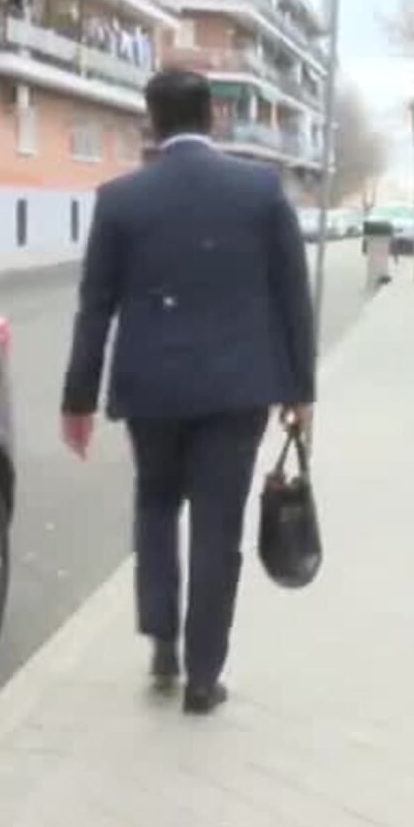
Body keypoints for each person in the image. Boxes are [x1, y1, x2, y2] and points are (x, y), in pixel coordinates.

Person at [61, 68, 317, 716]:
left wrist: (79, 400)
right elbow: (293, 296)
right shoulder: (259, 191)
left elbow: (95, 308)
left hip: (152, 390)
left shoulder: (120, 199)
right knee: (217, 528)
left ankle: (162, 641)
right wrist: (300, 389)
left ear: (152, 121)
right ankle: (204, 676)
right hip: (239, 392)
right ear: (213, 118)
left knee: (154, 507)